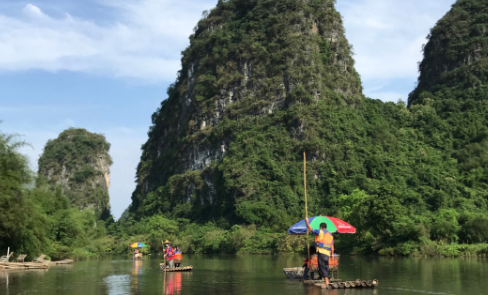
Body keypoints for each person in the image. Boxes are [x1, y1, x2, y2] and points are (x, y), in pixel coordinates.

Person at [306, 220, 334, 285]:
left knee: (322, 267)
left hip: (322, 252)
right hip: (327, 253)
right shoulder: (330, 234)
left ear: (321, 227)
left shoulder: (320, 232)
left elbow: (311, 229)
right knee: (325, 266)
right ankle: (326, 280)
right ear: (326, 227)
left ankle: (326, 282)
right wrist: (332, 254)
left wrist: (307, 222)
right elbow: (332, 245)